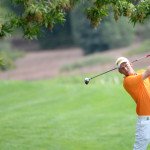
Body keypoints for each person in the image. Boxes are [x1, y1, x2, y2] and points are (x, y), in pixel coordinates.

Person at [115, 57, 150, 150]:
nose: (125, 68)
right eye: (122, 68)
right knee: (140, 148)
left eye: (126, 65)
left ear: (131, 64)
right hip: (145, 121)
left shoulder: (141, 72)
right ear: (120, 72)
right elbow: (148, 72)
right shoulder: (128, 81)